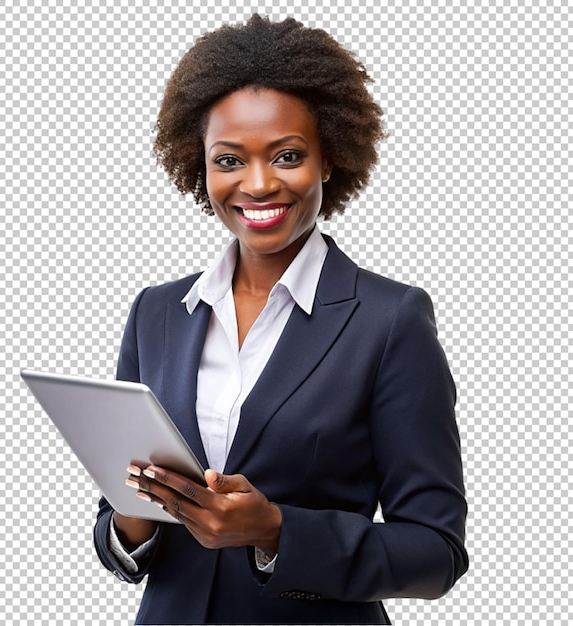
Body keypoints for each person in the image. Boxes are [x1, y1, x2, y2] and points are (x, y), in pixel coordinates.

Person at [93, 14, 468, 625]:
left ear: (330, 159)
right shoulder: (156, 313)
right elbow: (119, 536)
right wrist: (134, 518)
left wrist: (275, 532)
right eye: (229, 159)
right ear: (200, 165)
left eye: (288, 155)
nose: (258, 184)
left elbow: (435, 551)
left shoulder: (390, 321)